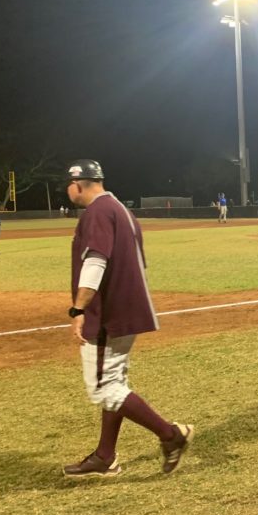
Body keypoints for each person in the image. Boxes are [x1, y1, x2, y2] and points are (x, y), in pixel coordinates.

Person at [62, 159, 193, 478]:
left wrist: (79, 310)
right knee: (114, 384)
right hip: (126, 310)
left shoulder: (97, 212)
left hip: (109, 314)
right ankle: (105, 456)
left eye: (67, 185)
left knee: (104, 389)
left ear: (78, 185)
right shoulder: (119, 208)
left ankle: (171, 435)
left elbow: (95, 262)